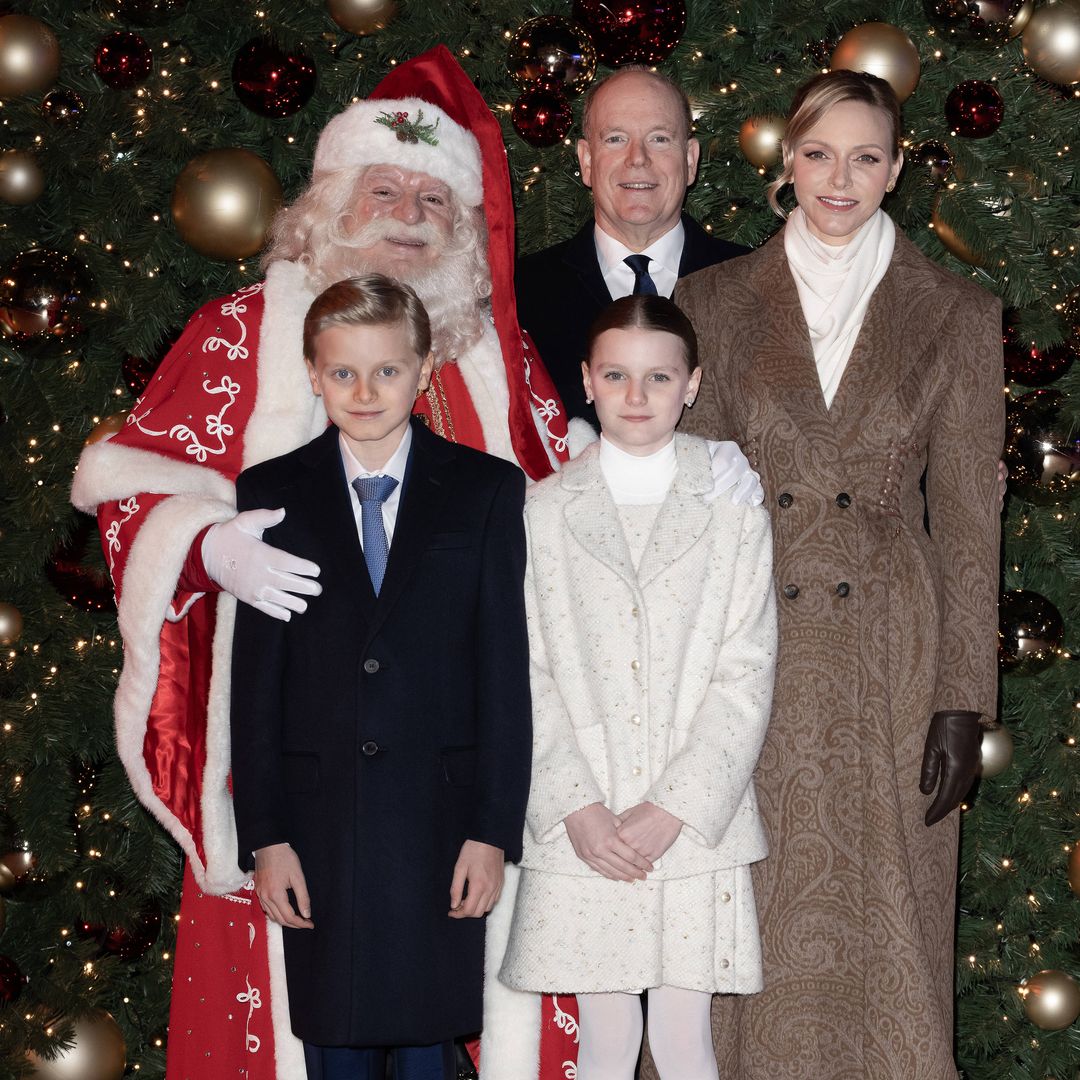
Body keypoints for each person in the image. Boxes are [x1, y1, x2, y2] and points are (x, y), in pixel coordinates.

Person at [70, 46, 572, 1080]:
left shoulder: (502, 358)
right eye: (382, 187)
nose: (409, 211)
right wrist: (204, 546)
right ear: (329, 202)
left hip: (453, 795)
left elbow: (571, 551)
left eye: (436, 196)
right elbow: (126, 486)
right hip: (307, 792)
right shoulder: (237, 336)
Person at [675, 70, 1004, 1079]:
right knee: (747, 920)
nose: (840, 178)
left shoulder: (954, 310)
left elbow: (967, 518)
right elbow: (685, 503)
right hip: (749, 656)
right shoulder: (713, 302)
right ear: (787, 162)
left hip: (890, 663)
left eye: (866, 157)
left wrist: (962, 698)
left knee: (890, 920)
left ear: (897, 169)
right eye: (820, 154)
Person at [230, 274, 531, 1080]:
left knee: (433, 1049)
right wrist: (265, 836)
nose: (364, 392)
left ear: (424, 369)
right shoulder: (270, 496)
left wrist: (493, 829)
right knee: (335, 1049)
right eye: (342, 373)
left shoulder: (486, 492)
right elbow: (254, 685)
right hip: (318, 837)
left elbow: (506, 675)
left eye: (387, 371)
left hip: (439, 832)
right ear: (312, 372)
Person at [492, 295, 777, 1080]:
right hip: (586, 826)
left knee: (686, 1040)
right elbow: (527, 673)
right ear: (586, 381)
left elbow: (745, 669)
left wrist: (678, 805)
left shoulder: (731, 508)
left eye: (659, 377)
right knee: (607, 1040)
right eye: (616, 375)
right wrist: (575, 806)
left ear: (691, 384)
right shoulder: (542, 514)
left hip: (692, 829)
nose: (637, 396)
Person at [515, 67, 747, 429]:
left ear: (690, 160)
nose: (637, 158)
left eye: (658, 139)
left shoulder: (754, 283)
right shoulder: (520, 295)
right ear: (586, 160)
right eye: (615, 139)